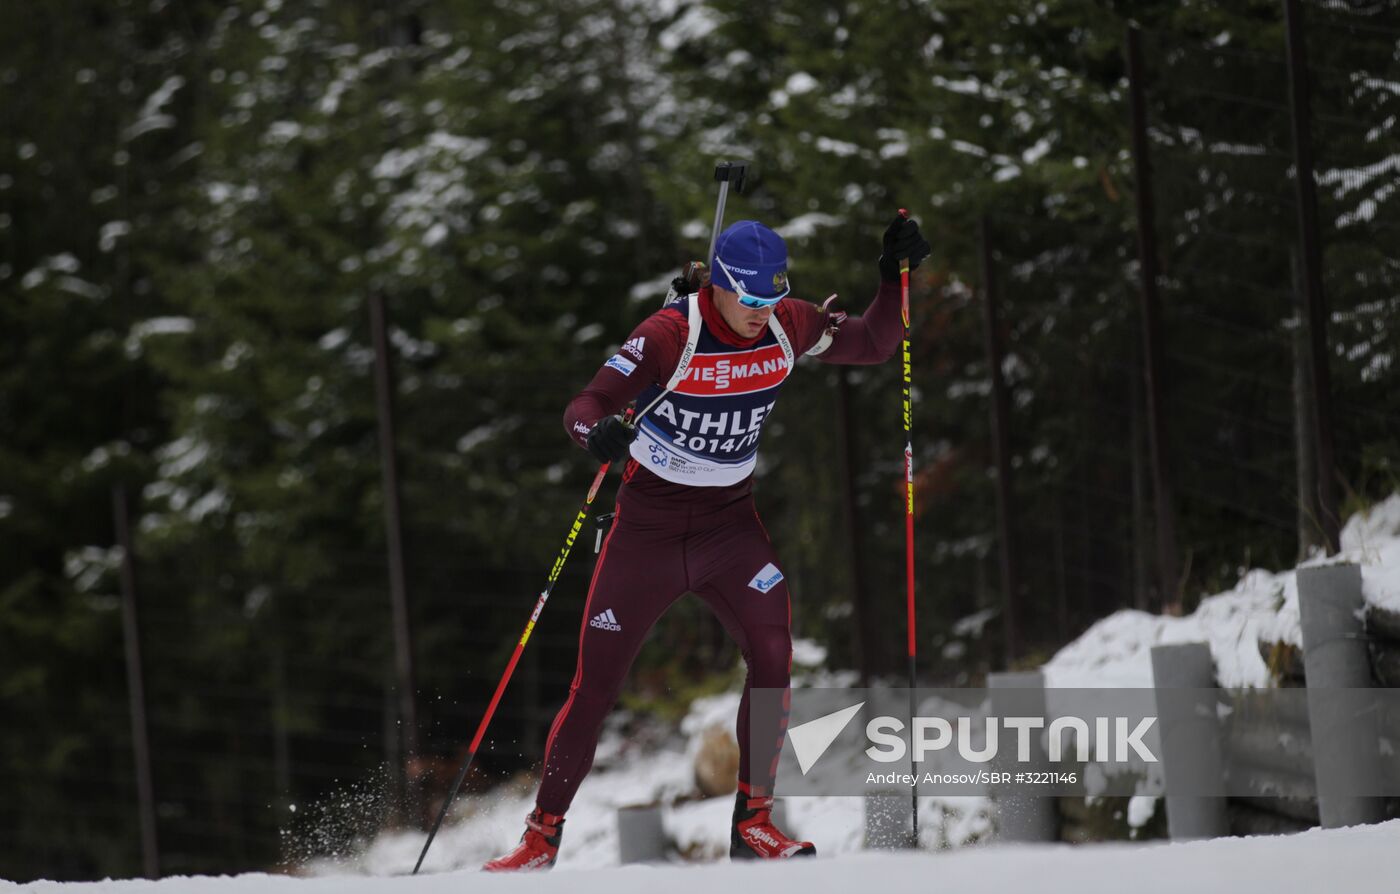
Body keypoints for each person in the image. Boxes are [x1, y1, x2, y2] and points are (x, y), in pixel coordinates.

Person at [483, 214, 931, 871]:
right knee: (595, 686)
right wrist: (597, 433)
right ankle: (541, 837)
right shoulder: (670, 333)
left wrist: (893, 281)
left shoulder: (788, 322)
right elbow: (586, 402)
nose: (761, 313)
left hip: (729, 528)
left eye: (771, 298)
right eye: (749, 299)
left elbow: (871, 344)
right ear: (719, 285)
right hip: (648, 531)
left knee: (774, 650)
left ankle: (754, 823)